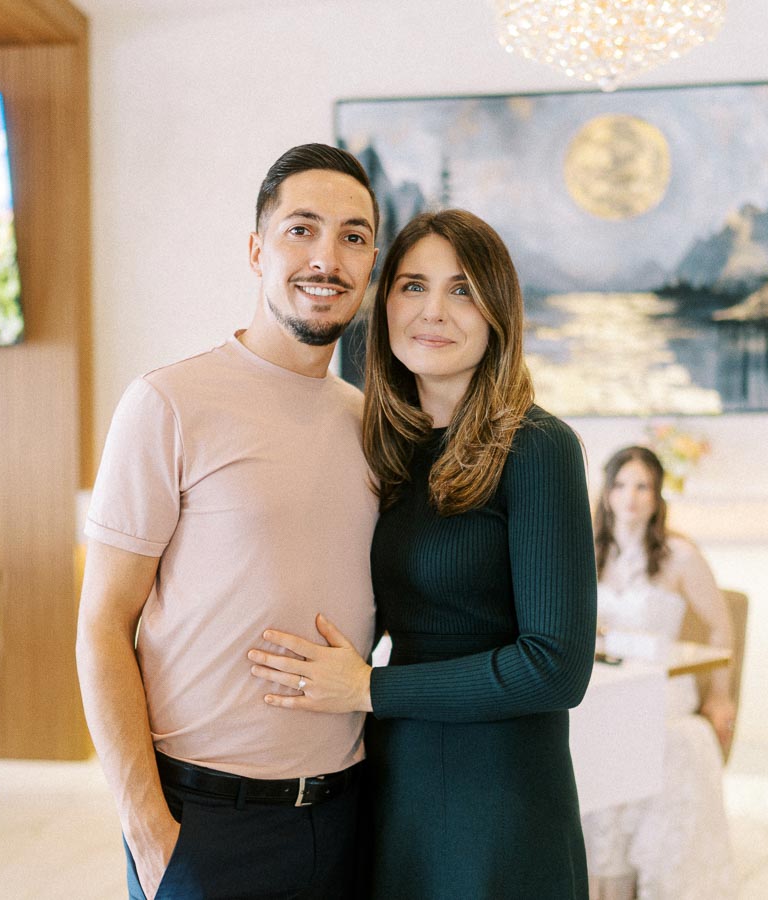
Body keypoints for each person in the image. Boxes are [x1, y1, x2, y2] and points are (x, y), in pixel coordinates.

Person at [248, 209, 598, 898]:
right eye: (412, 286)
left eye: (463, 289)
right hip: (393, 781)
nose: (433, 311)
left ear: (499, 310)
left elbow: (558, 667)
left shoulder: (536, 446)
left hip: (499, 799)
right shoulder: (382, 447)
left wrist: (370, 688)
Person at [76, 143, 381, 900]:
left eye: (353, 237)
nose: (327, 258)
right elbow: (102, 626)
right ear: (256, 250)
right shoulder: (169, 403)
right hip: (207, 824)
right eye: (301, 230)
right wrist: (150, 833)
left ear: (371, 265)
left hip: (348, 816)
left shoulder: (376, 426)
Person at [581, 446, 738, 900]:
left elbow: (720, 622)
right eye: (621, 484)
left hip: (662, 687)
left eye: (642, 485)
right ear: (606, 493)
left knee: (675, 739)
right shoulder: (586, 549)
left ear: (657, 495)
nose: (630, 497)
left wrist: (721, 694)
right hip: (602, 686)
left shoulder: (679, 555)